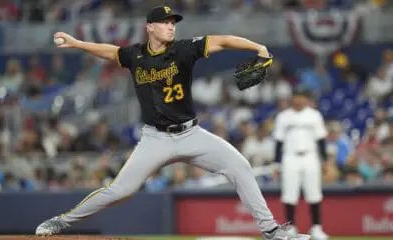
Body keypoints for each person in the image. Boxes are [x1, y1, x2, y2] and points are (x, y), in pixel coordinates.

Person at [35, 6, 310, 240]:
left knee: (240, 166)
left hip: (191, 133)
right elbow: (111, 52)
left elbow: (223, 40)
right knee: (120, 191)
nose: (171, 26)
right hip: (155, 139)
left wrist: (257, 46)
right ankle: (62, 220)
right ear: (149, 27)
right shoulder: (135, 55)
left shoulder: (184, 50)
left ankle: (271, 231)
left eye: (173, 22)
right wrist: (78, 43)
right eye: (165, 23)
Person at [273, 89, 329, 240]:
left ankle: (316, 228)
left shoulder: (314, 115)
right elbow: (278, 142)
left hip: (310, 156)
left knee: (314, 193)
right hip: (290, 157)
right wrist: (276, 164)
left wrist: (325, 160)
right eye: (296, 97)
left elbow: (321, 140)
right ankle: (291, 228)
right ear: (292, 99)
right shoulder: (283, 117)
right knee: (289, 195)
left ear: (306, 99)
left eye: (301, 97)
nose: (298, 100)